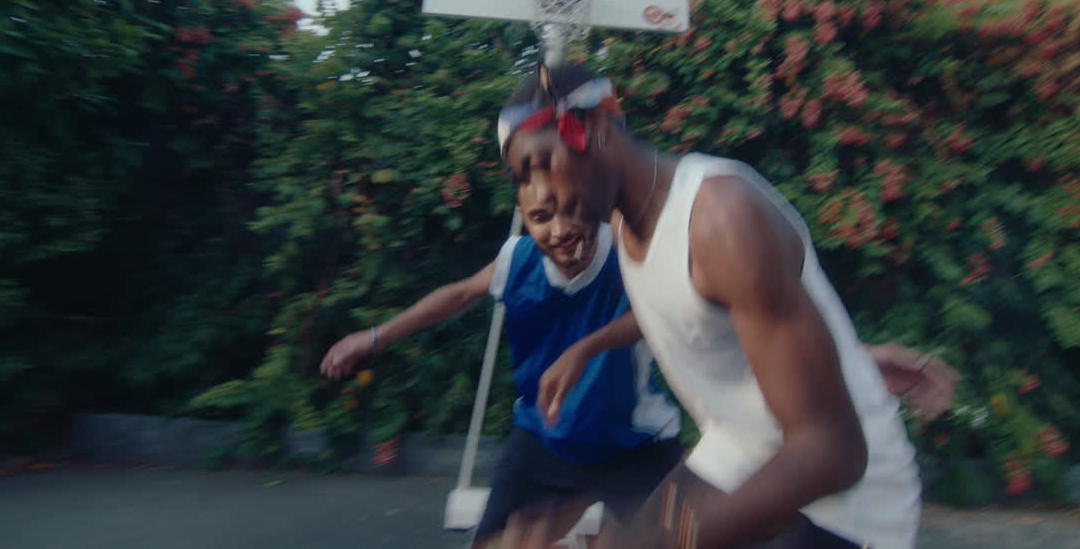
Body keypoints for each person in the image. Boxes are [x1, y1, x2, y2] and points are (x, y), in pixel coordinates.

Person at [498, 61, 932, 549]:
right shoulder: (621, 222)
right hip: (740, 447)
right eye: (522, 177)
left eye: (544, 164)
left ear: (596, 127)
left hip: (848, 502)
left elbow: (834, 453)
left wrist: (656, 545)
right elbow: (684, 307)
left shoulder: (721, 218)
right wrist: (586, 349)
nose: (540, 191)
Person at [321, 217, 687, 549]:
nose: (559, 231)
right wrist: (376, 336)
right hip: (545, 440)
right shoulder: (517, 259)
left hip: (636, 445)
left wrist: (586, 349)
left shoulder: (626, 247)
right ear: (527, 213)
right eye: (543, 216)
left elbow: (662, 309)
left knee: (689, 536)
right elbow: (460, 294)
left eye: (571, 212)